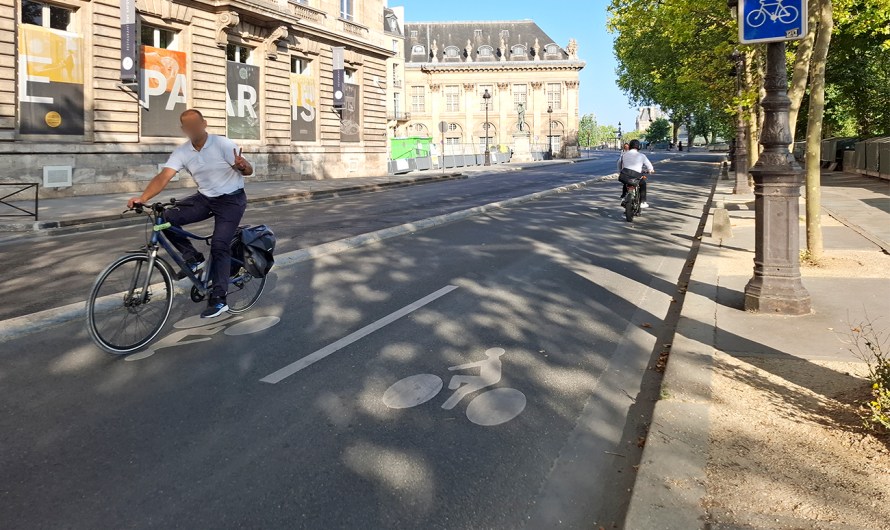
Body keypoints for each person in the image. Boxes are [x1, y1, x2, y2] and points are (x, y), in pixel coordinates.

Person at [127, 109, 253, 318]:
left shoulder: (222, 144)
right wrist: (143, 198)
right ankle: (193, 258)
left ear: (204, 124)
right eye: (188, 126)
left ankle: (219, 299)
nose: (192, 128)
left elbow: (247, 171)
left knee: (220, 245)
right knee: (164, 219)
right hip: (205, 198)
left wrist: (244, 166)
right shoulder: (183, 152)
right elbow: (164, 176)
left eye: (196, 124)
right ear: (184, 129)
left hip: (231, 199)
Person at [618, 139, 655, 208]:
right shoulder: (642, 156)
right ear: (639, 147)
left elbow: (619, 164)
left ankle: (623, 197)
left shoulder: (624, 155)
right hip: (636, 176)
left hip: (624, 175)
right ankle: (643, 202)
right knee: (643, 183)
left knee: (626, 183)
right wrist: (650, 170)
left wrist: (620, 171)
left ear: (630, 146)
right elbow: (649, 165)